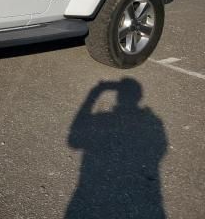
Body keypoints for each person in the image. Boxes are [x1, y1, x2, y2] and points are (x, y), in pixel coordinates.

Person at [66, 78, 167, 218]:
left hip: (91, 192)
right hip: (143, 198)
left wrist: (95, 92)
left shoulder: (103, 119)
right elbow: (160, 148)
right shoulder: (153, 121)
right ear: (140, 96)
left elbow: (74, 141)